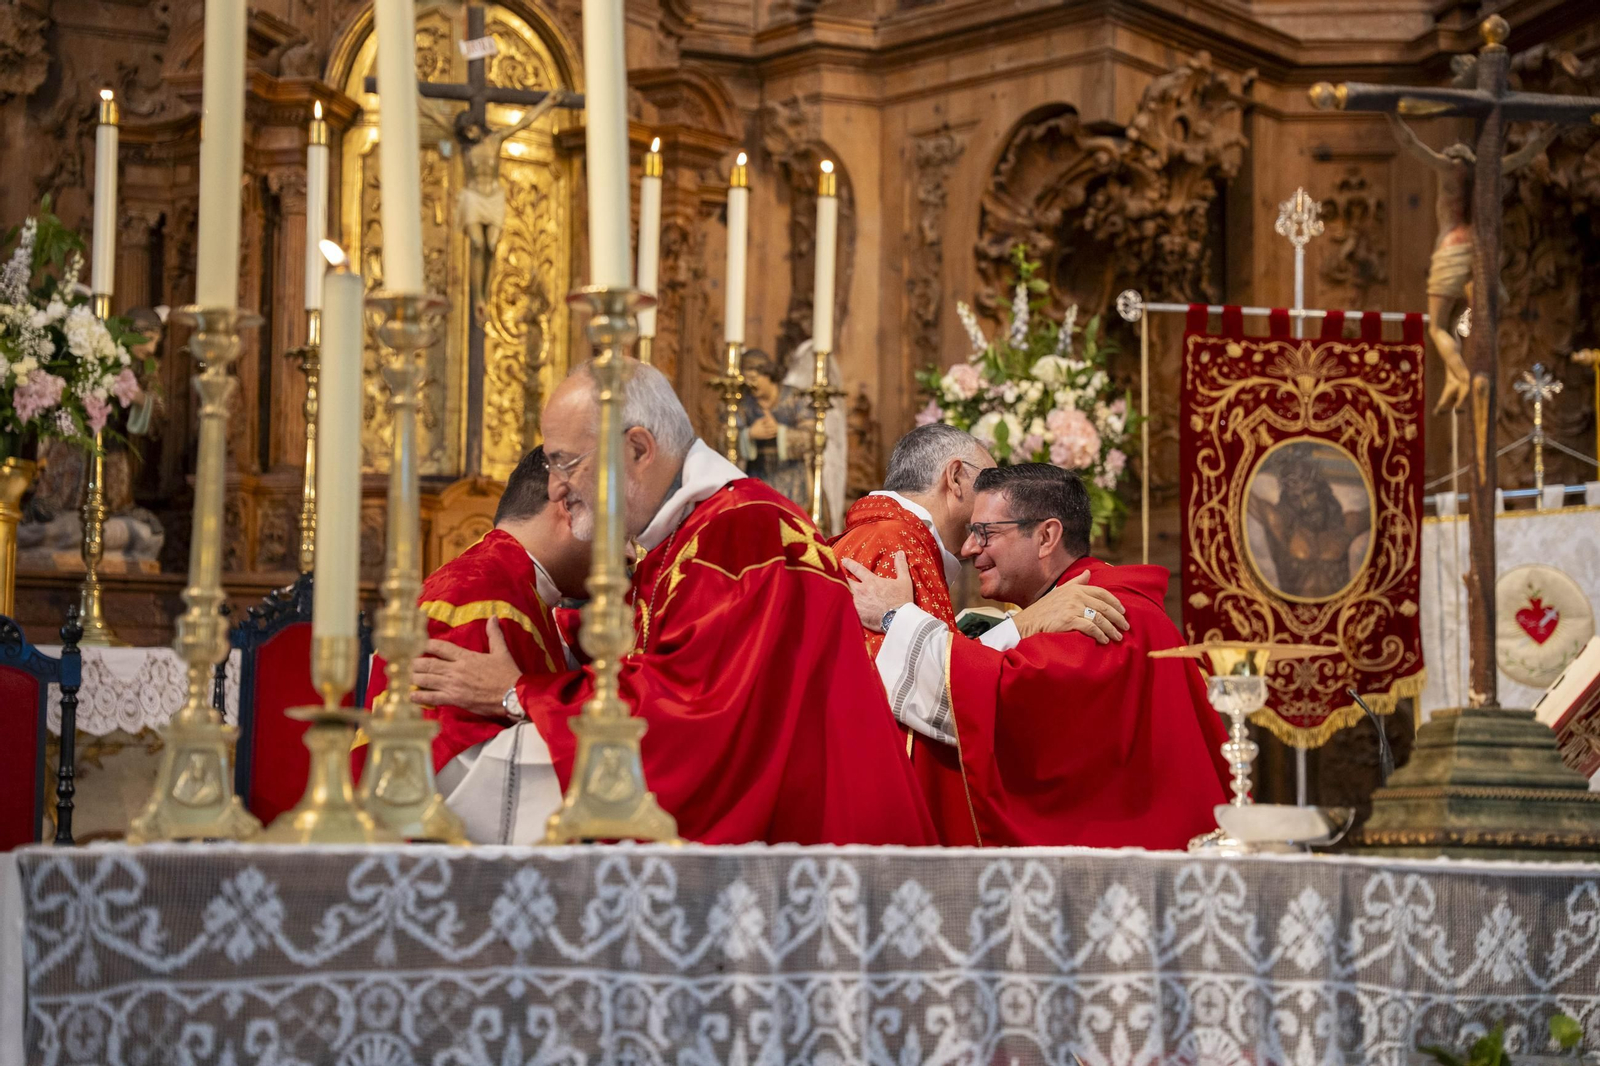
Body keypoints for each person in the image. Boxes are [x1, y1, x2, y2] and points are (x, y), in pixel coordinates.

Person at [412, 358, 935, 846]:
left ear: (638, 450)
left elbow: (691, 717)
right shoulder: (693, 535)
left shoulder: (739, 533)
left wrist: (517, 694)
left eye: (565, 463)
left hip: (812, 844)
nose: (555, 489)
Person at [846, 463, 1229, 849]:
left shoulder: (1097, 611)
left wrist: (894, 616)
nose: (968, 548)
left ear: (1046, 536)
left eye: (985, 533)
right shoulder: (1092, 598)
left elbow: (1000, 700)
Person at [832, 427, 1131, 844]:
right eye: (985, 481)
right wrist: (1022, 626)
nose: (974, 545)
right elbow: (935, 699)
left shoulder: (890, 537)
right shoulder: (894, 542)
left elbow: (932, 666)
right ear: (955, 479)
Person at [362, 445, 591, 844]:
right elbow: (453, 772)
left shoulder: (518, 589)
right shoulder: (478, 597)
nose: (626, 553)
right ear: (568, 508)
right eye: (618, 531)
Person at [734, 348, 812, 508]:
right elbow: (724, 438)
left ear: (767, 374)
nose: (750, 384)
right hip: (756, 478)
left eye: (754, 378)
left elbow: (814, 437)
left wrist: (780, 432)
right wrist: (748, 435)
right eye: (746, 380)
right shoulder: (742, 402)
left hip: (792, 479)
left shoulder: (795, 397)